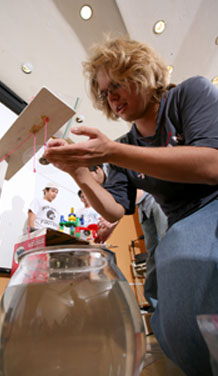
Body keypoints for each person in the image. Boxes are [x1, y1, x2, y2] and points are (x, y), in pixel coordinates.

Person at [43, 36, 218, 376]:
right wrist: (79, 173)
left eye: (118, 84)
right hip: (180, 224)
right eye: (105, 92)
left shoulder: (189, 94)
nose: (112, 98)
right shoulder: (124, 146)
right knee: (170, 325)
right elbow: (113, 210)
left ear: (142, 73)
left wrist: (111, 153)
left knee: (185, 316)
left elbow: (212, 166)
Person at [136, 189, 168, 309]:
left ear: (98, 169)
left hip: (156, 200)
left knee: (167, 247)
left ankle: (173, 298)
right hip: (143, 209)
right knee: (152, 255)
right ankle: (155, 304)